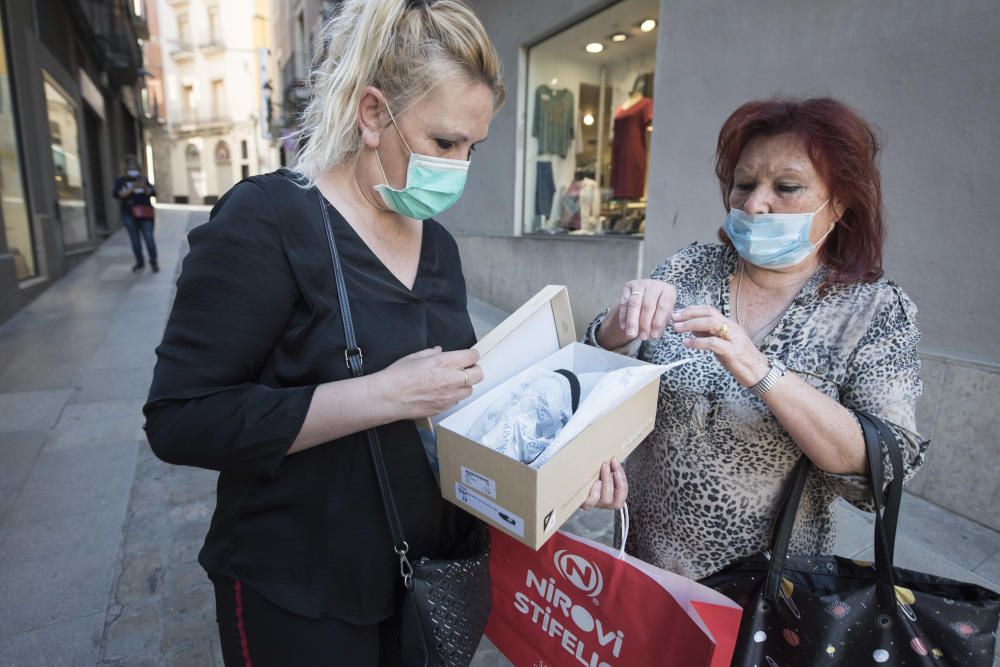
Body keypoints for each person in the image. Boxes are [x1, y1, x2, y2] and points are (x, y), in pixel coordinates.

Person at [143, 1, 625, 665]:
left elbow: (453, 414)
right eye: (444, 142)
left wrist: (558, 460)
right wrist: (384, 394)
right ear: (373, 115)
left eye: (473, 147)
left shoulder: (441, 250)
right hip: (301, 591)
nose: (459, 167)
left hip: (425, 580)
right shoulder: (267, 223)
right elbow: (181, 418)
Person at [588, 97, 927, 581]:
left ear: (841, 203)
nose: (754, 203)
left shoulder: (872, 310)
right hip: (642, 559)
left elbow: (884, 464)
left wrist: (764, 373)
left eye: (786, 187)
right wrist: (618, 324)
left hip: (765, 588)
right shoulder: (691, 269)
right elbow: (600, 365)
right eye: (743, 185)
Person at [112, 155, 158, 273]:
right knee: (135, 239)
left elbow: (153, 193)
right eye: (130, 167)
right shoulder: (121, 181)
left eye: (134, 167)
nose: (132, 169)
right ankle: (140, 262)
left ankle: (153, 261)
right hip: (129, 213)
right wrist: (132, 188)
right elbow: (118, 195)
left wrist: (144, 187)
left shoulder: (143, 179)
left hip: (145, 212)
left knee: (148, 237)